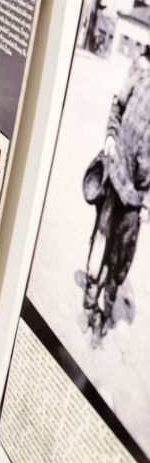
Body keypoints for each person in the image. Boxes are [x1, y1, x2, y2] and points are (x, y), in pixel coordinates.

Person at [83, 45, 150, 339]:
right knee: (101, 238)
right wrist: (110, 137)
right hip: (116, 176)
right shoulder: (141, 67)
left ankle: (104, 310)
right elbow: (117, 106)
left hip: (139, 197)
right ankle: (90, 298)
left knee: (121, 259)